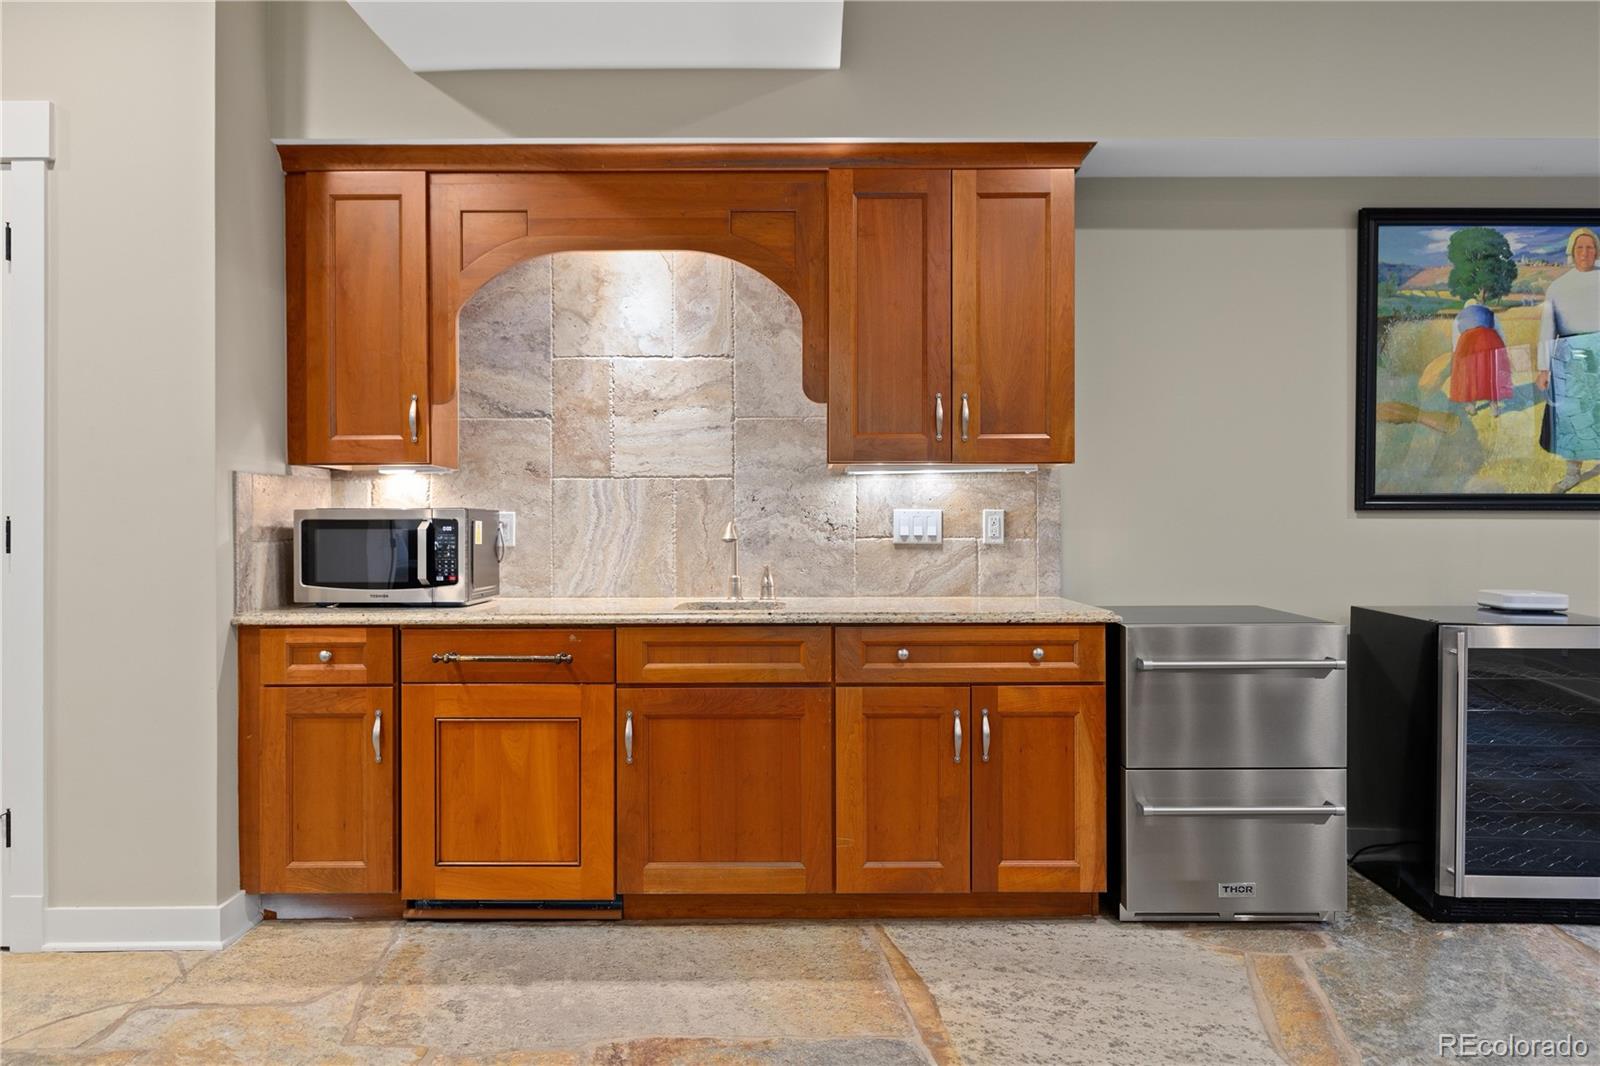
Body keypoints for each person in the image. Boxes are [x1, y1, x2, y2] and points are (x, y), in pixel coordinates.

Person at [1536, 227, 1600, 492]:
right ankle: (1573, 472)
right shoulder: (1558, 287)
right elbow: (1548, 327)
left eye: (1590, 247)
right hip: (1570, 356)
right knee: (1574, 413)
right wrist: (1543, 367)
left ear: (1597, 251)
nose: (1585, 253)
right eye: (1580, 248)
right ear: (1572, 252)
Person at [1449, 304, 1512, 413]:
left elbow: (1456, 337)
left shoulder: (1459, 316)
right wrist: (1502, 349)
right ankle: (1494, 407)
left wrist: (1457, 353)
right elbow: (1499, 331)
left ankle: (1472, 406)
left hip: (1468, 342)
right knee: (1491, 372)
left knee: (1470, 374)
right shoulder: (1489, 313)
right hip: (1490, 340)